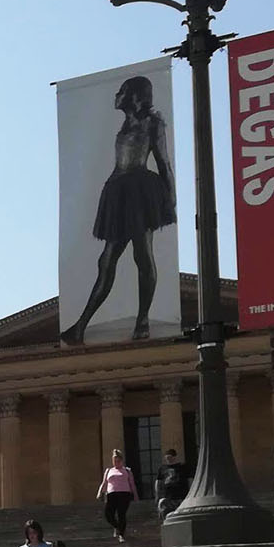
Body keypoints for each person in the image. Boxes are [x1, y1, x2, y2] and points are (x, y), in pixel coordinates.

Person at [62, 74, 175, 346]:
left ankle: (143, 320)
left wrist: (169, 201)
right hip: (119, 190)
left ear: (134, 96)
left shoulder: (153, 123)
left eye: (122, 91)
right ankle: (81, 325)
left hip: (140, 191)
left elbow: (163, 163)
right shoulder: (124, 125)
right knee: (106, 260)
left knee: (142, 254)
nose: (117, 96)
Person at [97, 449, 138, 542]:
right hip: (112, 494)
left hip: (124, 494)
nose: (116, 463)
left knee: (121, 514)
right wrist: (100, 492)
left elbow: (132, 483)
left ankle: (121, 534)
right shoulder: (109, 471)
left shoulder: (127, 470)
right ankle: (117, 527)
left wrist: (135, 495)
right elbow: (104, 483)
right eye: (114, 461)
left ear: (121, 461)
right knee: (108, 514)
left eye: (118, 461)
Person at [158, 449, 191, 517]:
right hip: (167, 496)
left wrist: (190, 491)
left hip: (181, 495)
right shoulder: (162, 468)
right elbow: (158, 481)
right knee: (167, 514)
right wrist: (158, 494)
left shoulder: (182, 467)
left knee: (181, 515)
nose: (169, 460)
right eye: (167, 458)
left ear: (174, 457)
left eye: (170, 457)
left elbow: (189, 479)